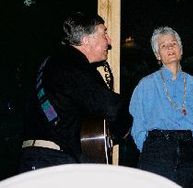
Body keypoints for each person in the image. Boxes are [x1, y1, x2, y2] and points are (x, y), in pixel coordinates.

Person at [18, 12, 127, 172]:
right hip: (52, 161)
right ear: (86, 40)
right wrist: (127, 124)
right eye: (104, 34)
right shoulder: (74, 65)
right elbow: (110, 107)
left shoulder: (52, 62)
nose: (109, 41)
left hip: (34, 159)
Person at [129, 26, 193, 187]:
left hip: (187, 151)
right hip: (157, 151)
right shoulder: (146, 85)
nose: (170, 48)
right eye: (163, 45)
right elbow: (137, 124)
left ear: (181, 50)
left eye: (173, 43)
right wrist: (151, 150)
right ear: (157, 55)